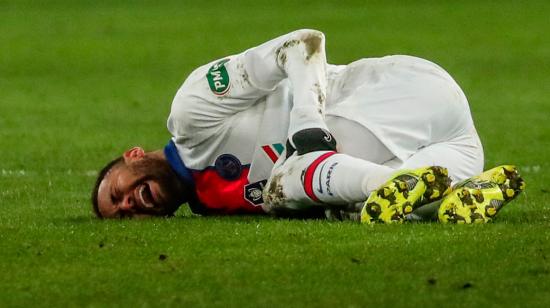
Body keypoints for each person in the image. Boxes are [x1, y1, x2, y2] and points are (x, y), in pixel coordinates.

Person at [92, 29, 524, 223]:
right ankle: (464, 192)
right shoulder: (212, 202)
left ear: (133, 155)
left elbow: (302, 43)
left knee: (289, 177)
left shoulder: (191, 113)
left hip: (392, 92)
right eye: (122, 215)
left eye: (117, 191)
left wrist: (307, 124)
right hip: (454, 140)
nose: (128, 203)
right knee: (397, 205)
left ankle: (393, 184)